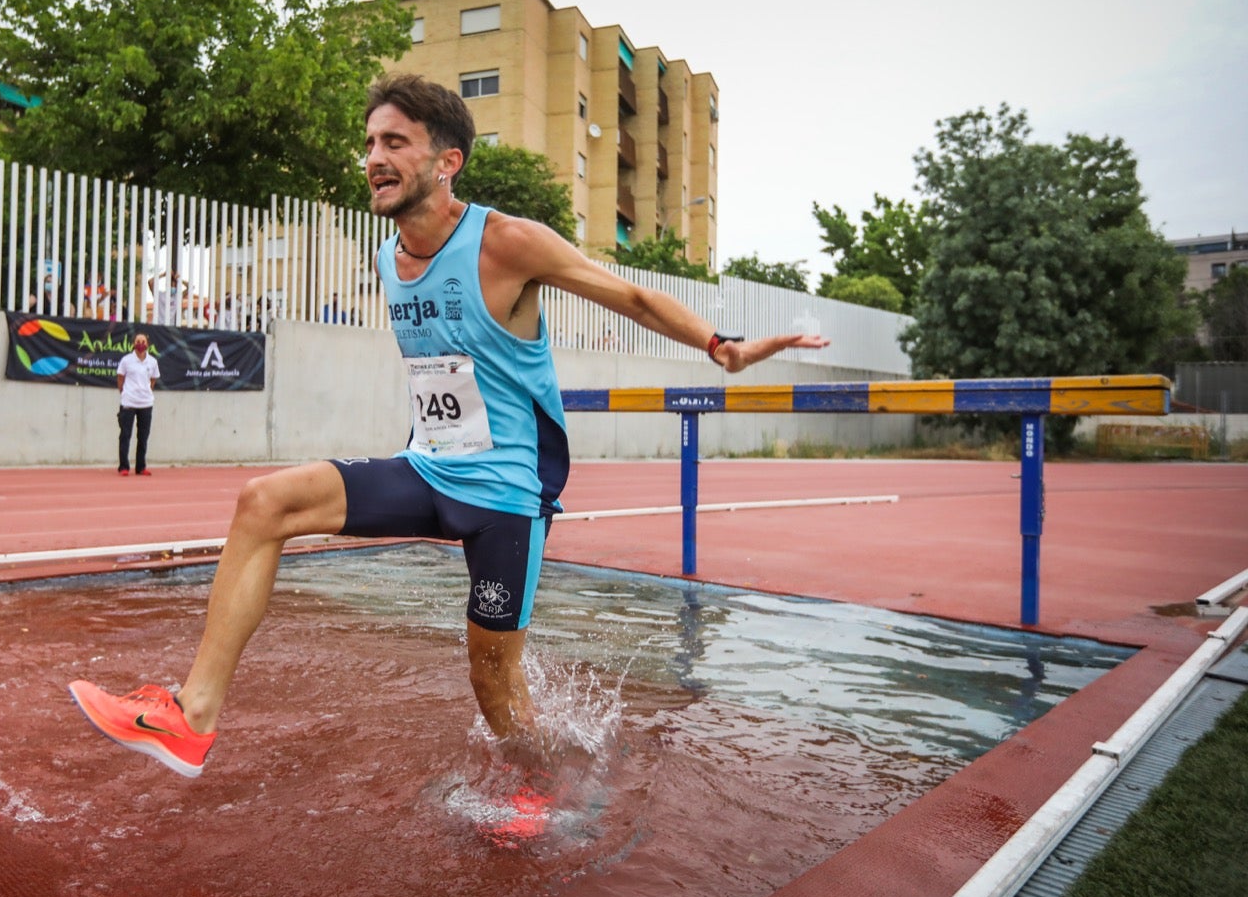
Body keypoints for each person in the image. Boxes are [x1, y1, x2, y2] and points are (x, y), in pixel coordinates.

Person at [68, 73, 829, 779]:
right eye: (369, 143)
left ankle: (537, 786)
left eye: (394, 142)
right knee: (263, 503)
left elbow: (624, 293)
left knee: (491, 680)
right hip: (428, 469)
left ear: (448, 160)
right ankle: (191, 718)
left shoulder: (506, 242)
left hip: (504, 494)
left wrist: (721, 348)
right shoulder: (384, 254)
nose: (374, 157)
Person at [114, 332, 160, 477]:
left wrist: (147, 391)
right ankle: (123, 467)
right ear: (133, 343)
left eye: (143, 341)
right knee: (125, 435)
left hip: (146, 403)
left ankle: (141, 467)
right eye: (138, 341)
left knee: (143, 436)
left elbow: (153, 379)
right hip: (128, 402)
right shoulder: (126, 360)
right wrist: (124, 392)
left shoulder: (152, 362)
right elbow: (120, 378)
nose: (141, 344)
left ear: (148, 344)